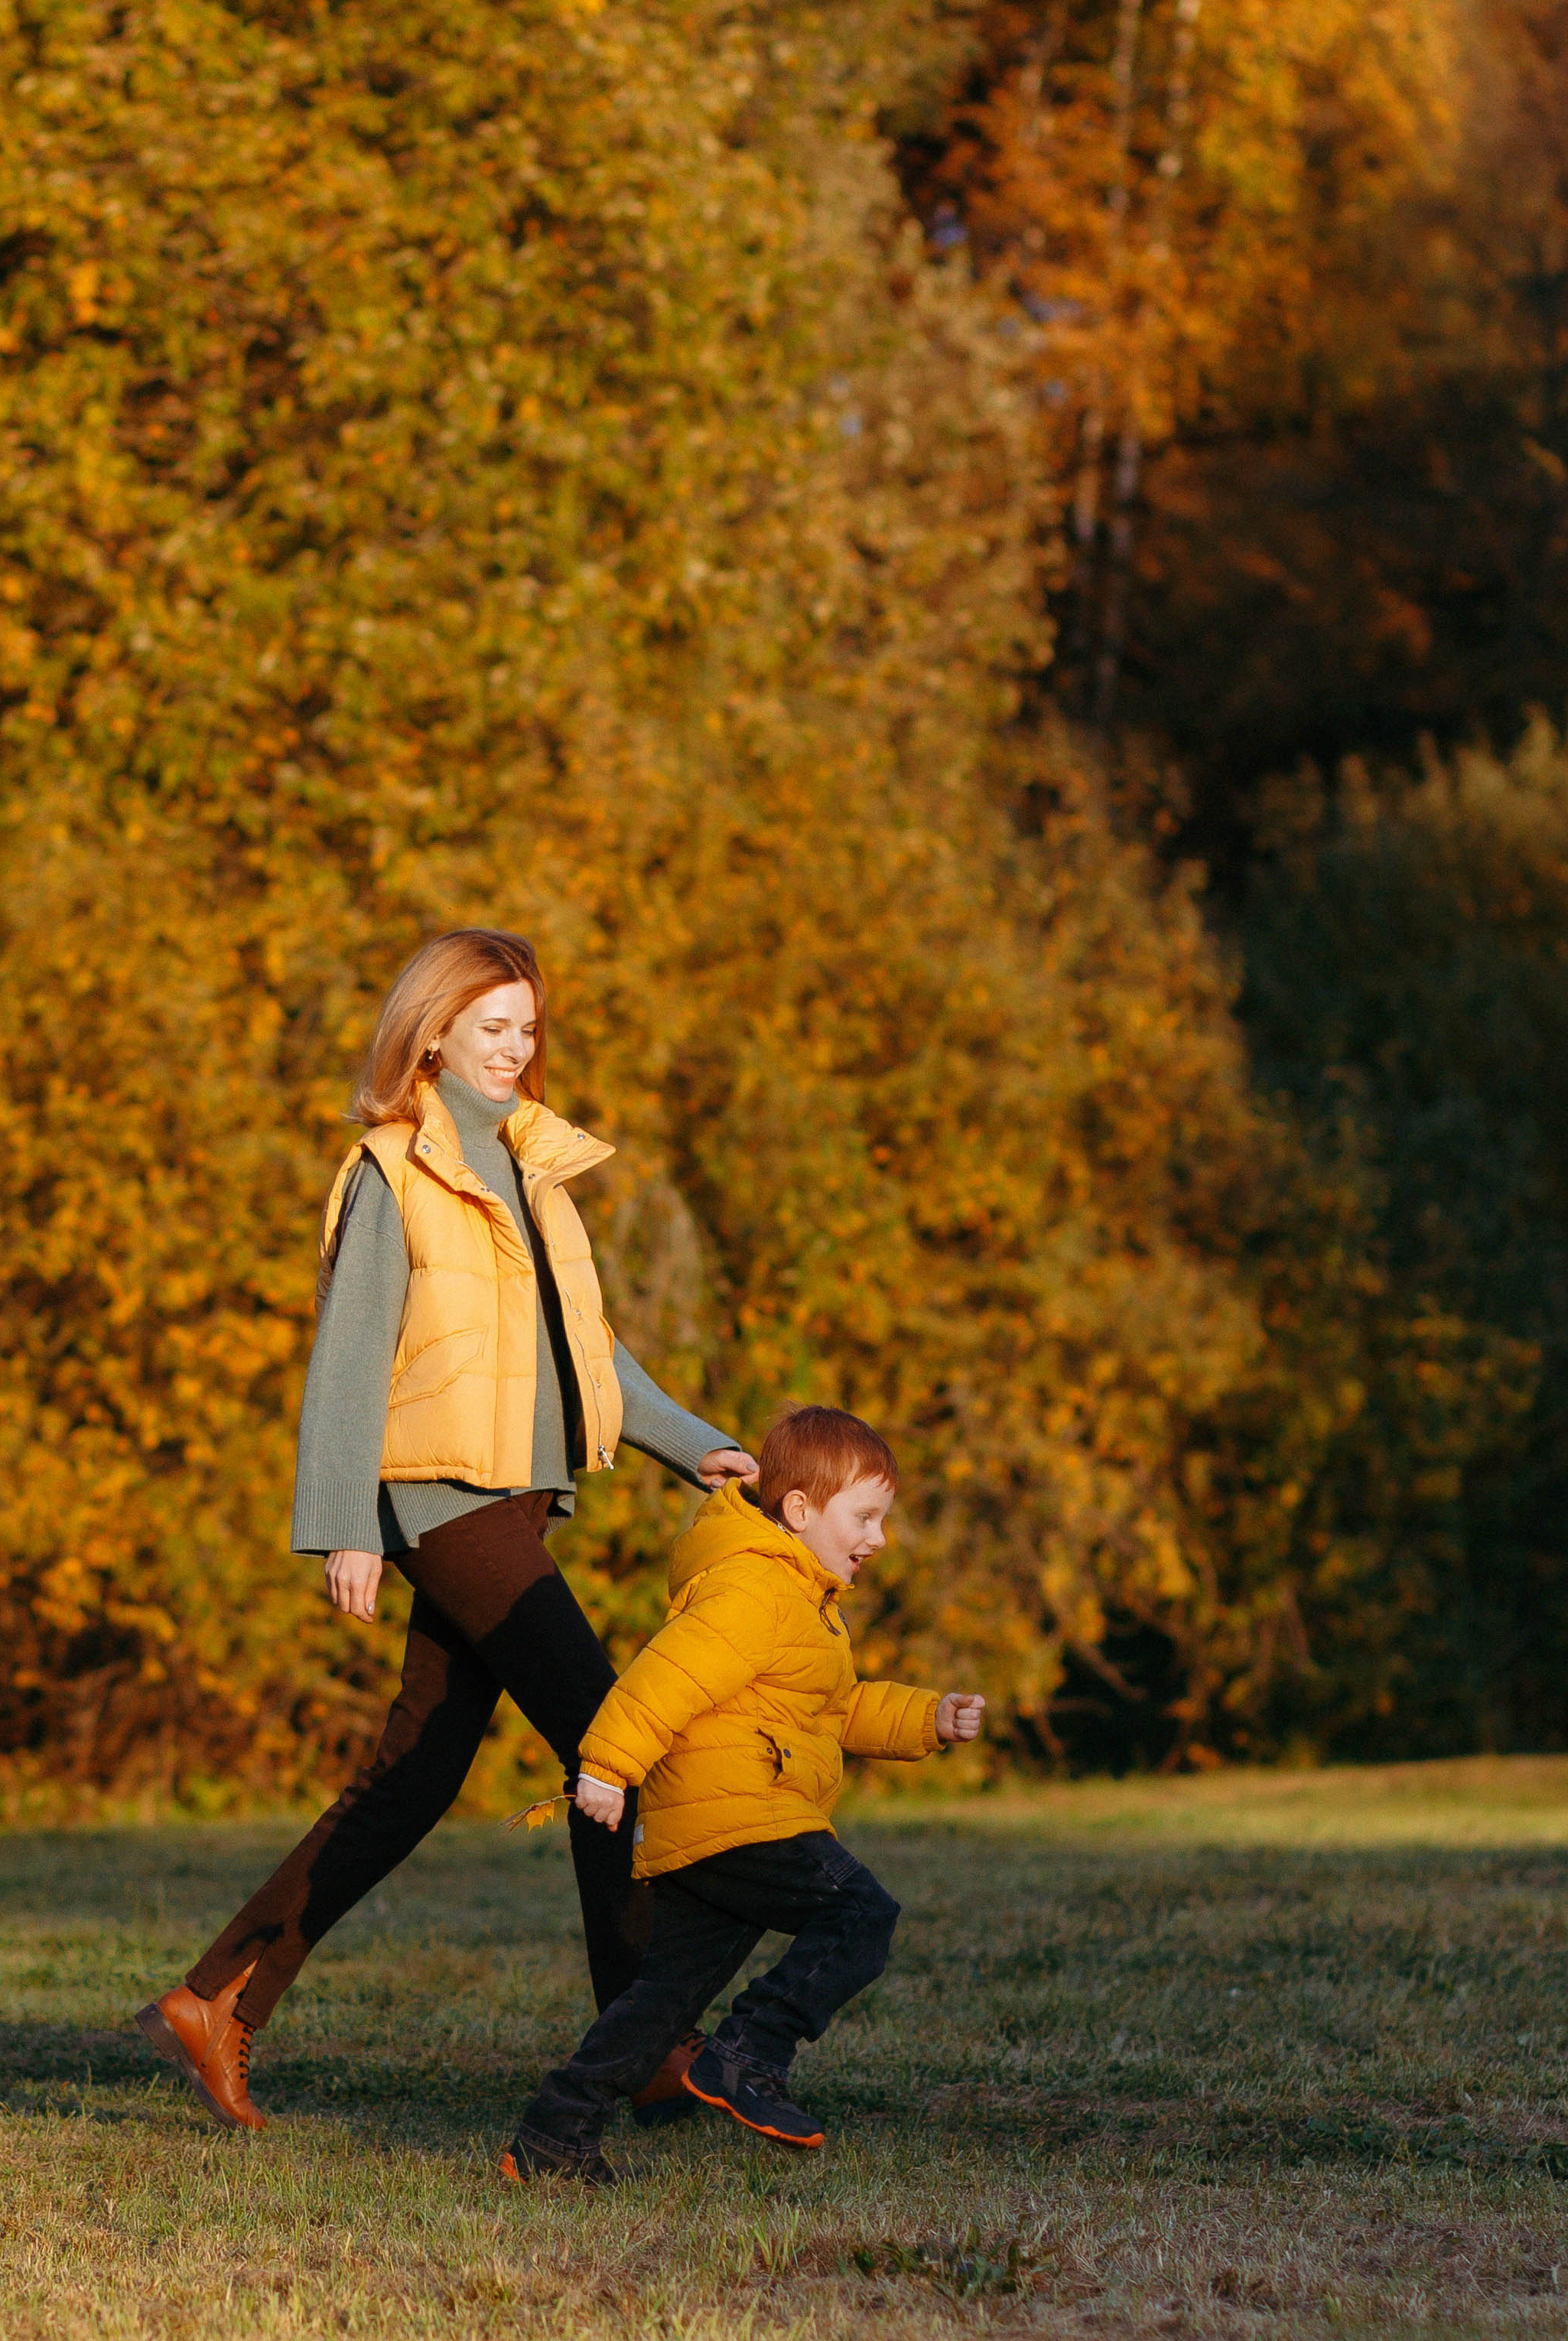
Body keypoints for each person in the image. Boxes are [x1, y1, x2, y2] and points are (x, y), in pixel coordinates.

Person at [135, 928, 756, 2130]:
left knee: (414, 1774)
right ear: (433, 1035)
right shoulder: (392, 1169)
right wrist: (346, 1527)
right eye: (494, 1027)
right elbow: (352, 1353)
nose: (519, 1049)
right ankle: (646, 2042)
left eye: (529, 1028)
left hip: (512, 1497)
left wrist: (695, 1442)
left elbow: (586, 1345)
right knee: (612, 1744)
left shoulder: (528, 1165)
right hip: (441, 1500)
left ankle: (220, 1999)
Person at [500, 1405, 985, 2182]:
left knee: (661, 2002)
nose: (879, 1539)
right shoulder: (755, 1587)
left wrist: (928, 1716)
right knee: (862, 1914)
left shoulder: (803, 1601)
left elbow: (838, 1708)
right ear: (800, 1510)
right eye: (864, 1517)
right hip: (743, 1812)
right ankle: (750, 2053)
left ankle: (555, 2135)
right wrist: (607, 1764)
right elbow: (667, 1674)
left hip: (713, 1827)